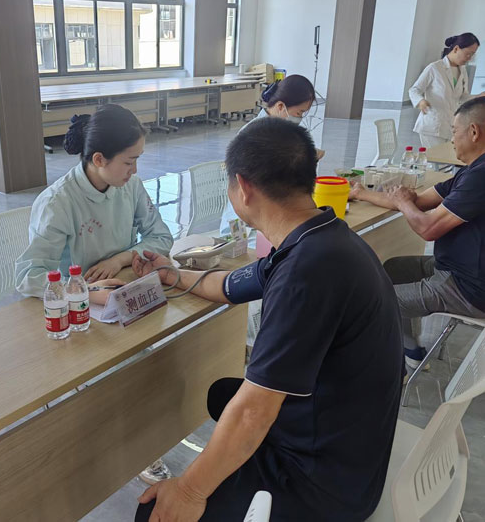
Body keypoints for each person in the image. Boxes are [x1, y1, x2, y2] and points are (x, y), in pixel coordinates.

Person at [133, 117, 403, 521]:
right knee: (222, 395)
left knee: (155, 513)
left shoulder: (305, 274)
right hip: (347, 437)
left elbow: (255, 411)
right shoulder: (320, 237)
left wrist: (188, 490)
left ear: (243, 187)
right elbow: (228, 285)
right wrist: (169, 274)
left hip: (323, 484)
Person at [14, 104, 175, 485]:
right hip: (77, 316)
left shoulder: (128, 186)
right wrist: (88, 290)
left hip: (121, 299)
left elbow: (161, 235)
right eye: (129, 161)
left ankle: (142, 439)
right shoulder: (59, 202)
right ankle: (133, 448)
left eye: (137, 160)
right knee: (129, 381)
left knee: (157, 365)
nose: (135, 170)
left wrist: (122, 257)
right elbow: (28, 276)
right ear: (99, 159)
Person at [349, 96, 485, 371]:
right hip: (458, 267)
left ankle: (384, 367)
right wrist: (361, 193)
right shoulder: (471, 172)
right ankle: (410, 347)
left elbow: (427, 227)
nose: (452, 140)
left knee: (371, 300)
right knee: (393, 268)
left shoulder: (480, 177)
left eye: (454, 132)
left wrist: (403, 202)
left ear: (474, 132)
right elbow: (420, 201)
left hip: (469, 287)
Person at [220, 74, 324, 235]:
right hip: (248, 225)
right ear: (281, 106)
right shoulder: (255, 134)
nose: (300, 118)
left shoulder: (280, 131)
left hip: (268, 218)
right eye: (299, 113)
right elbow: (268, 185)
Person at [409, 33, 482, 148]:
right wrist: (421, 101)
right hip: (432, 126)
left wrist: (478, 96)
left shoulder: (462, 71)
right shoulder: (434, 68)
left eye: (472, 55)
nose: (470, 58)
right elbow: (414, 90)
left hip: (450, 125)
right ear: (456, 49)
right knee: (436, 158)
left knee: (446, 157)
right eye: (468, 54)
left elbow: (462, 97)